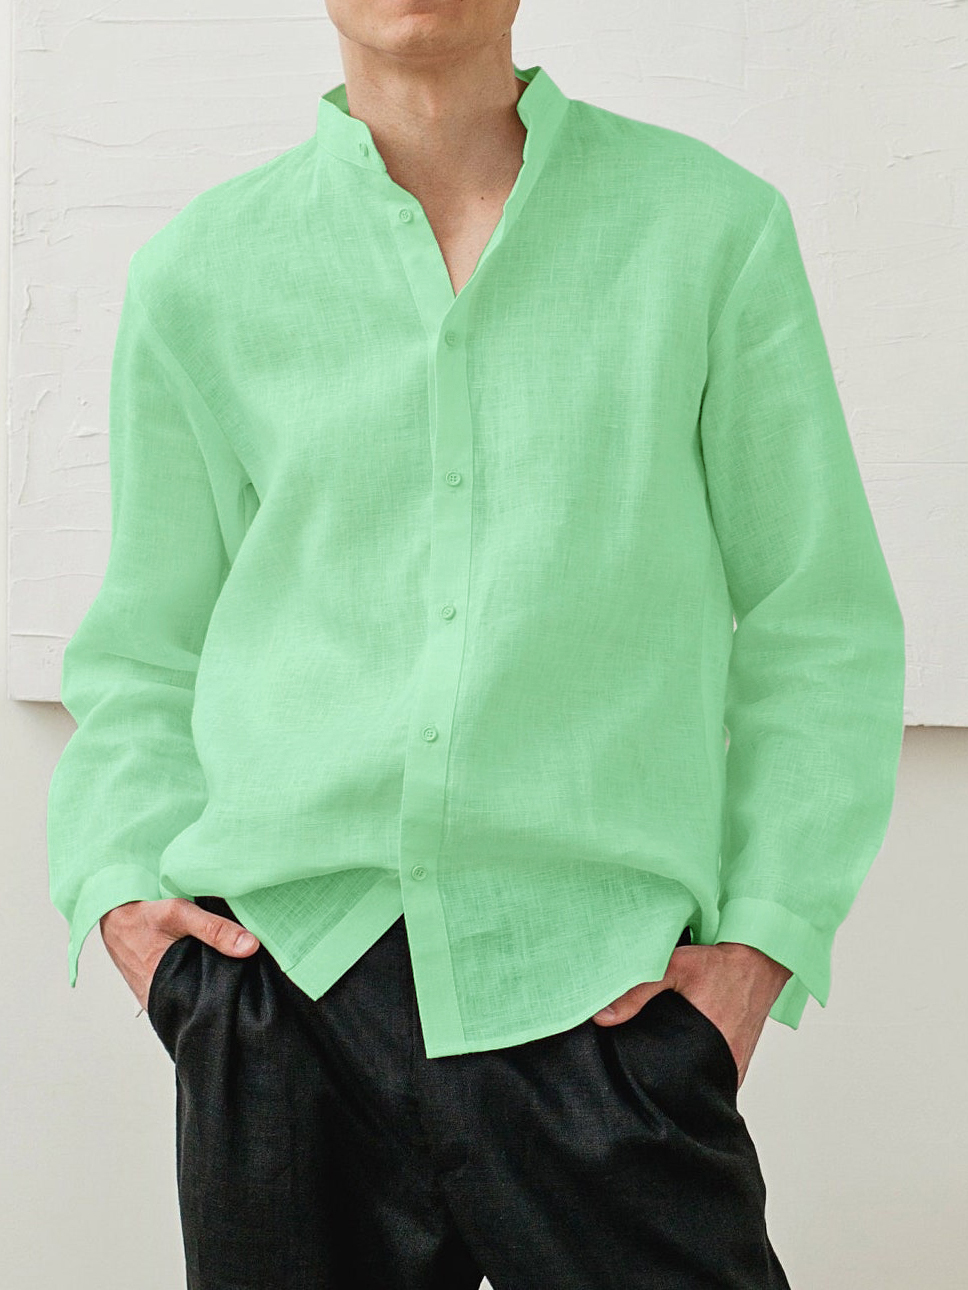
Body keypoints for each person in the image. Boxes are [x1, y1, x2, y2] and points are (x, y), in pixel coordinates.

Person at [46, 2, 906, 1287]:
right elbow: (145, 650)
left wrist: (754, 952)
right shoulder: (202, 272)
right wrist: (124, 904)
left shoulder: (708, 232)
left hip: (603, 1005)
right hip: (285, 994)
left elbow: (815, 623)